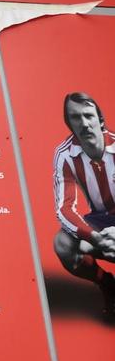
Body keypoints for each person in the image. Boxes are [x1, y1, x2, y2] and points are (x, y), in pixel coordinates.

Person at [52, 92, 115, 319]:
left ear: (100, 120)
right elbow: (64, 208)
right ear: (69, 124)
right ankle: (107, 284)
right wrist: (93, 236)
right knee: (63, 244)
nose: (84, 123)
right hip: (102, 221)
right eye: (75, 118)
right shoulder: (65, 154)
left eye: (88, 115)